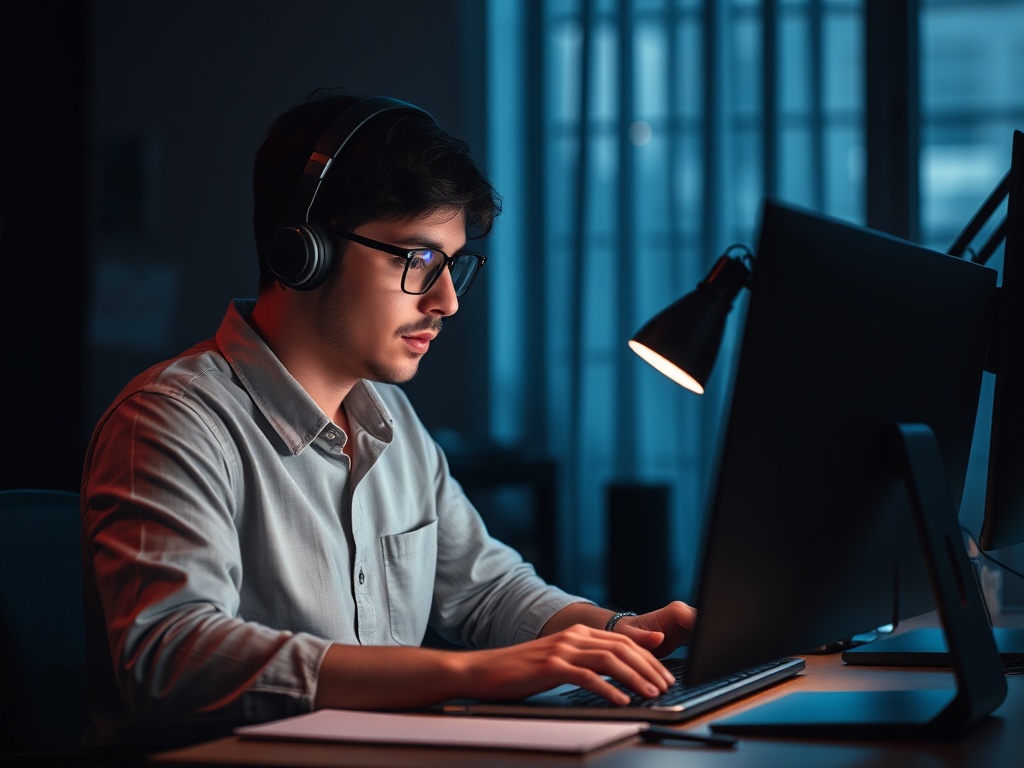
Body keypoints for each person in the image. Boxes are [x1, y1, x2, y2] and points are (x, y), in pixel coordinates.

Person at [80, 88, 696, 748]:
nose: (447, 301)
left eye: (453, 264)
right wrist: (468, 673)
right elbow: (172, 655)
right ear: (303, 251)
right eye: (417, 260)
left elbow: (484, 590)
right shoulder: (171, 421)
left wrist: (614, 634)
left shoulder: (390, 420)